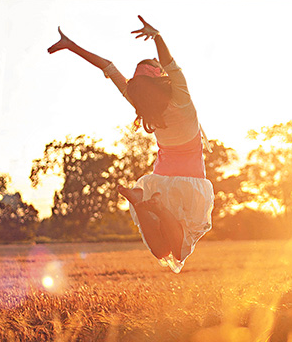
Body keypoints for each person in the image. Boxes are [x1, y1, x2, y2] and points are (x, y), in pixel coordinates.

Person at [48, 16, 214, 273]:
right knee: (180, 250)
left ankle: (140, 201)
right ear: (160, 75)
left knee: (161, 251)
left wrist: (72, 46)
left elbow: (109, 67)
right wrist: (157, 36)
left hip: (160, 179)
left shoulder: (141, 104)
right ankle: (154, 205)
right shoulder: (180, 96)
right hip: (189, 181)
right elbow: (171, 63)